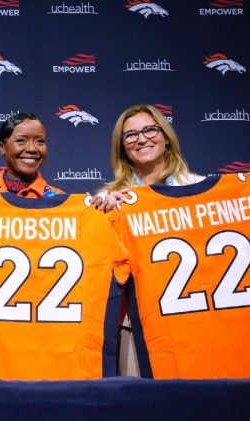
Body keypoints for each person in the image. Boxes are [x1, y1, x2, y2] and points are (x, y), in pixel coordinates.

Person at [90, 104, 205, 377]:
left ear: (166, 136)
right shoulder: (109, 201)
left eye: (150, 130)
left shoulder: (201, 190)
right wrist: (101, 218)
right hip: (135, 328)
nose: (141, 139)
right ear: (122, 147)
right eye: (130, 135)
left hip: (199, 322)